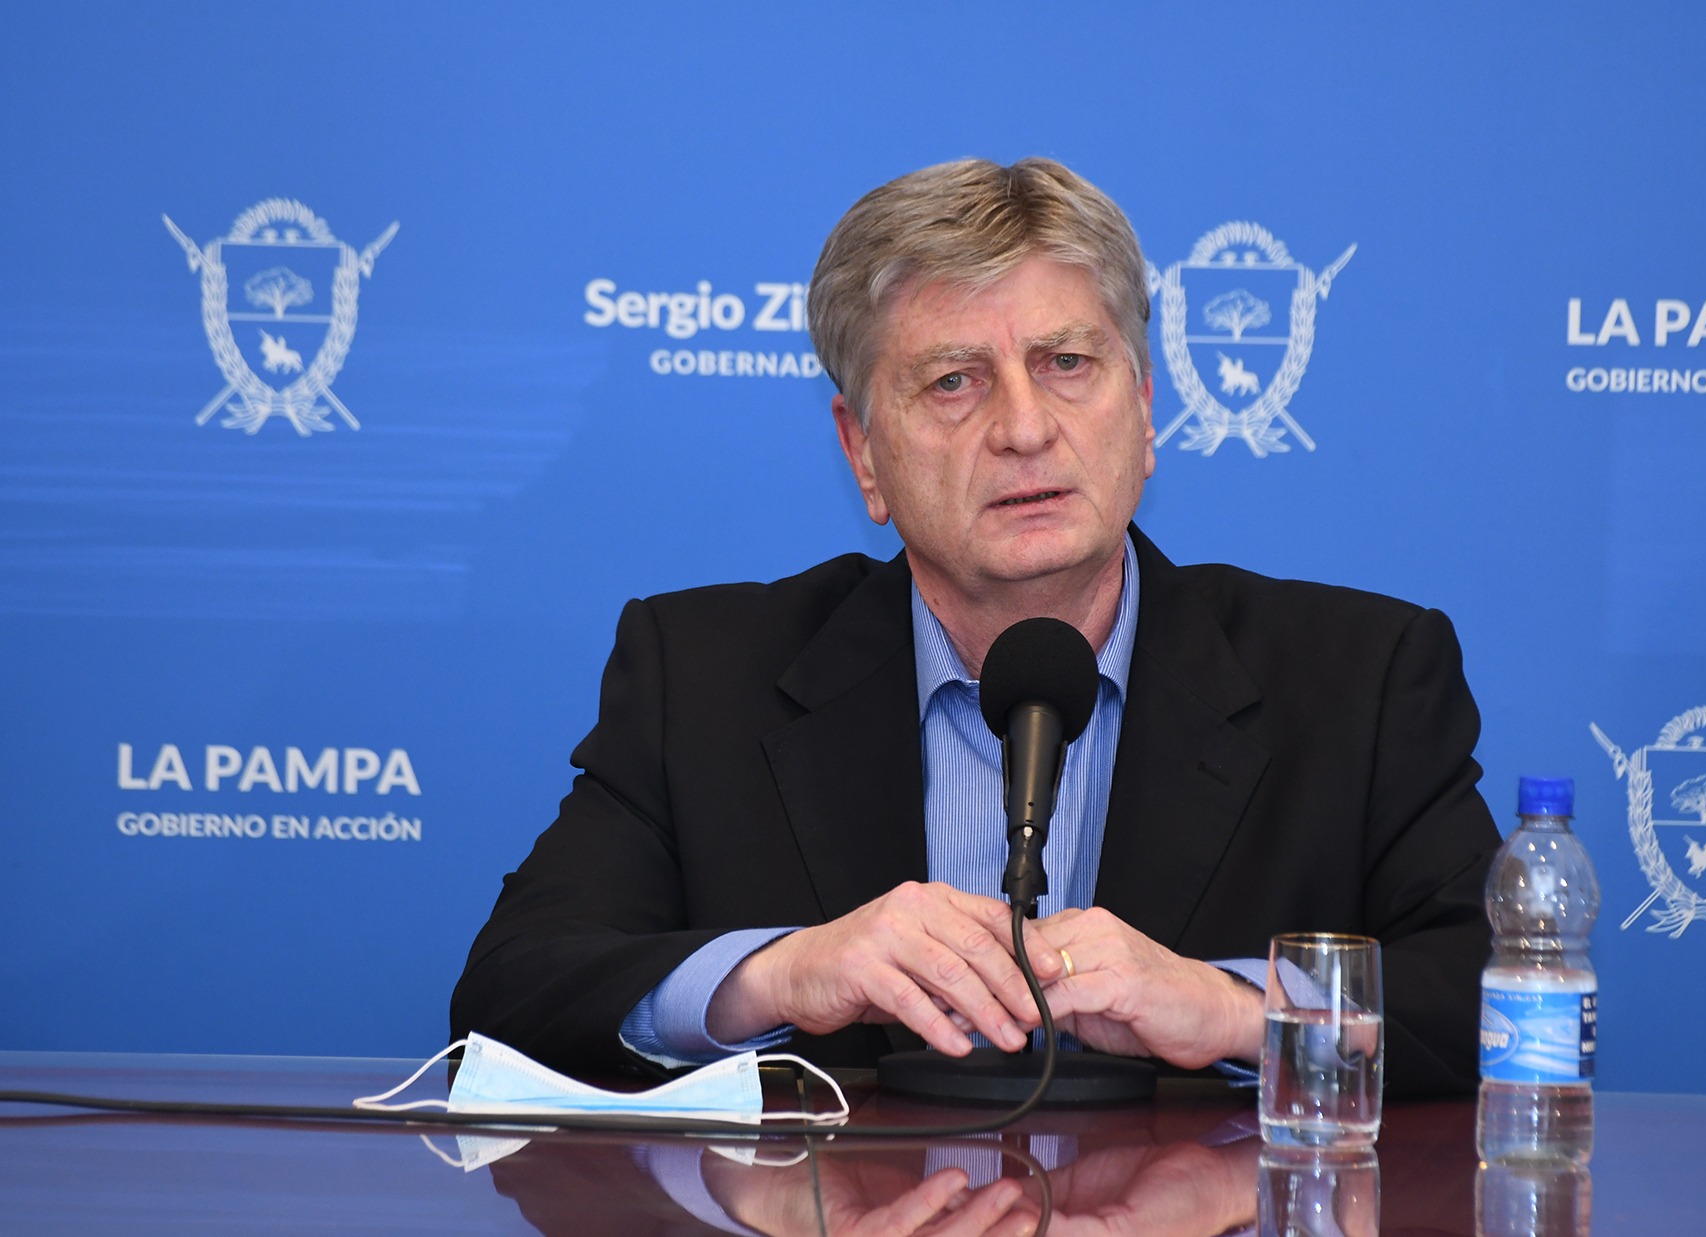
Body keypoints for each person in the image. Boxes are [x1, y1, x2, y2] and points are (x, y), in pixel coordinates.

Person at [451, 157, 1500, 1097]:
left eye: (1066, 364)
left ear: (1144, 412)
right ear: (863, 453)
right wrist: (780, 973)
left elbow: (1499, 1001)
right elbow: (509, 992)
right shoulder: (701, 678)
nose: (1025, 428)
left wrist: (1230, 1010)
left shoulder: (1360, 681)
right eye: (953, 381)